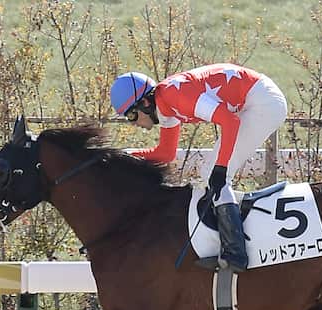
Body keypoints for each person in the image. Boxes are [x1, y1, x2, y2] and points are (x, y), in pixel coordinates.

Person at [109, 64, 288, 273]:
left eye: (131, 115)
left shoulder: (173, 95)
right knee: (211, 173)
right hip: (255, 100)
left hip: (264, 103)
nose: (133, 124)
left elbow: (230, 122)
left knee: (214, 174)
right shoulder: (165, 106)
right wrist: (122, 156)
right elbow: (166, 153)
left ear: (145, 103)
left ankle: (235, 253)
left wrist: (221, 169)